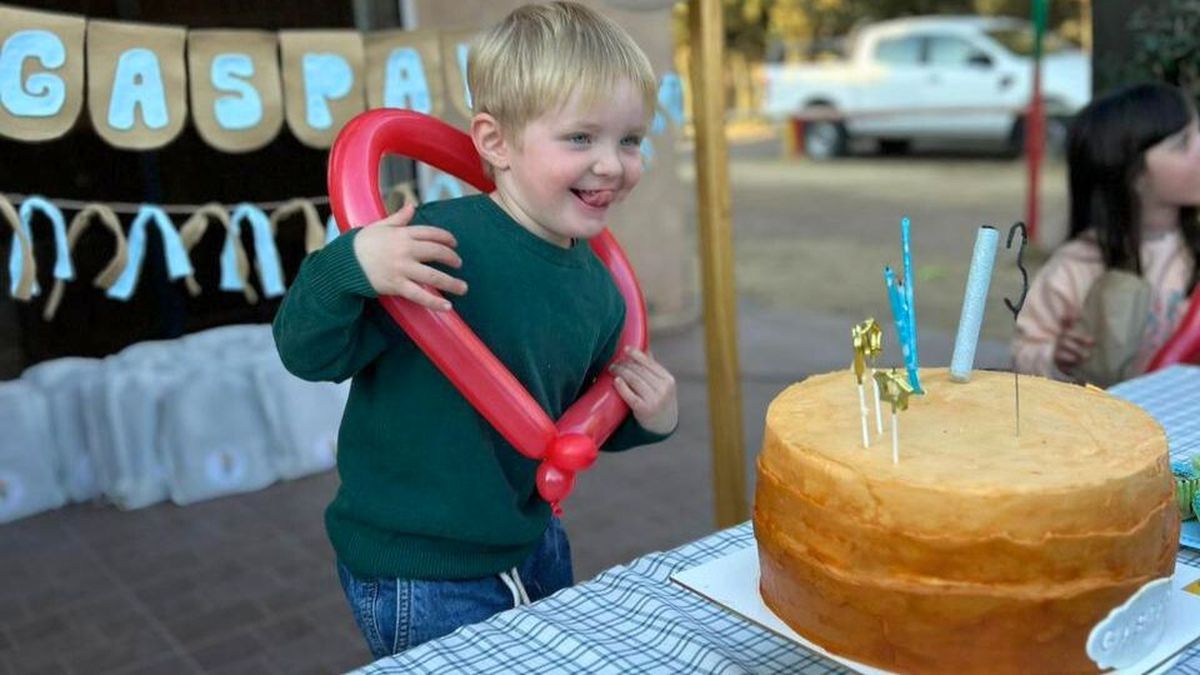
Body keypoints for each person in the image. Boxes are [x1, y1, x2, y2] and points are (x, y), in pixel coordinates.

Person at [272, 1, 677, 658]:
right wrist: (349, 266)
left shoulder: (599, 288)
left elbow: (579, 418)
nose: (612, 164)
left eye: (629, 140)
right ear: (494, 142)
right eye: (581, 138)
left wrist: (651, 417)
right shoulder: (435, 242)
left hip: (533, 541)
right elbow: (305, 352)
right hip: (419, 567)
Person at [1013, 82, 1200, 384]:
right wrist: (1055, 357)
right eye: (1183, 143)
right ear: (1133, 175)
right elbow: (1024, 352)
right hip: (1106, 424)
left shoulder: (1191, 250)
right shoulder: (1077, 266)